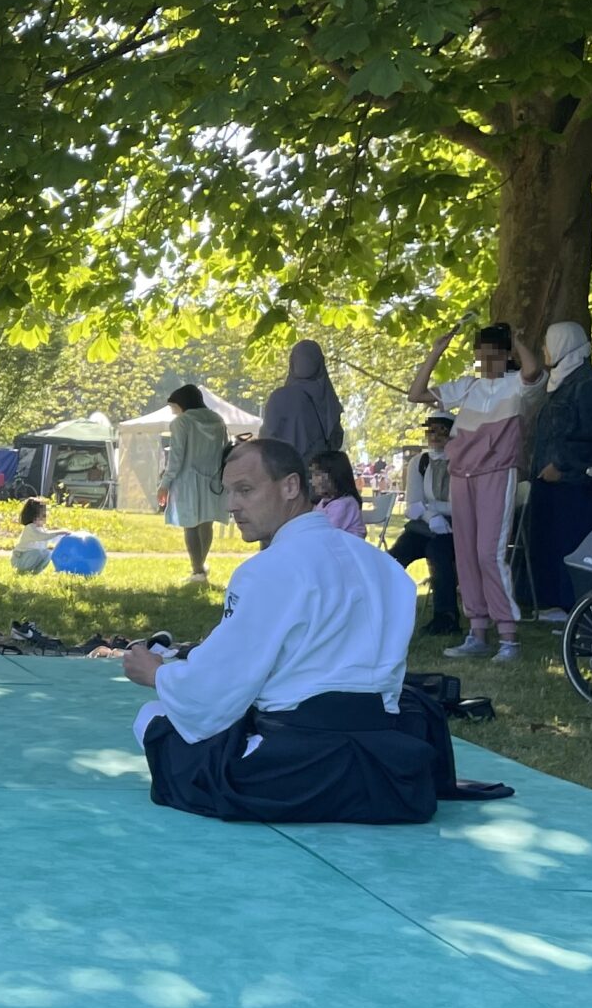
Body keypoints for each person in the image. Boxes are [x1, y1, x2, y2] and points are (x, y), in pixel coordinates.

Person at [124, 438, 454, 826]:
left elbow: (217, 692)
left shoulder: (267, 569)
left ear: (291, 487)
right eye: (228, 492)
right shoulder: (383, 566)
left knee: (152, 718)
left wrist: (158, 673)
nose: (232, 506)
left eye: (245, 490)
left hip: (294, 773)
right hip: (391, 774)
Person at [410, 319, 545, 662]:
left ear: (504, 355)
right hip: (461, 475)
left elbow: (533, 370)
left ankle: (509, 637)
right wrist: (436, 351)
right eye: (480, 355)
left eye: (492, 355)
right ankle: (477, 632)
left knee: (488, 553)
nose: (485, 362)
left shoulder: (517, 386)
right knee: (466, 554)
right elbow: (416, 394)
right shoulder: (468, 387)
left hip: (496, 474)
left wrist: (517, 339)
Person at [524, 322, 592, 621]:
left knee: (570, 540)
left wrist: (562, 467)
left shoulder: (589, 385)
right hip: (548, 480)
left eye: (549, 343)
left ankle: (571, 604)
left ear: (564, 344)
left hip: (575, 483)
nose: (544, 350)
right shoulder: (559, 382)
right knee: (549, 539)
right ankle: (550, 601)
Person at [389, 413, 461, 636]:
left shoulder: (463, 460)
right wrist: (431, 516)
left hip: (456, 527)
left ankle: (446, 616)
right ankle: (379, 608)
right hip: (424, 525)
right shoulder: (419, 462)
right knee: (396, 555)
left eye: (442, 430)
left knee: (438, 553)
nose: (435, 436)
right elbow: (413, 505)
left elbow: (460, 504)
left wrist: (431, 509)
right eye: (431, 430)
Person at [156, 384, 230, 582]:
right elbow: (225, 450)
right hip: (213, 480)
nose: (173, 412)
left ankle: (197, 570)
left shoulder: (182, 423)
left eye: (174, 407)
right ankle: (201, 566)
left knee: (190, 524)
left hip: (186, 480)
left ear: (182, 404)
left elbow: (176, 457)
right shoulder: (218, 420)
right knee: (207, 524)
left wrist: (165, 483)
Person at [259, 340, 344, 465]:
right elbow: (336, 442)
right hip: (317, 475)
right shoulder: (329, 402)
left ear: (292, 362)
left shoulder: (278, 398)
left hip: (282, 474)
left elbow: (265, 442)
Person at [308, 449, 366, 536]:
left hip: (348, 548)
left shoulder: (344, 504)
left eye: (317, 475)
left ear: (335, 475)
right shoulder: (324, 502)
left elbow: (324, 533)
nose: (312, 481)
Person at [11, 497, 57, 575]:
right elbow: (42, 536)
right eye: (43, 515)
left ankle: (37, 571)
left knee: (47, 553)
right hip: (20, 559)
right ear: (34, 517)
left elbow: (49, 536)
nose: (45, 518)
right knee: (37, 552)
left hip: (30, 557)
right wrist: (59, 532)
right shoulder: (30, 528)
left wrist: (64, 536)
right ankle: (24, 570)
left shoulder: (42, 529)